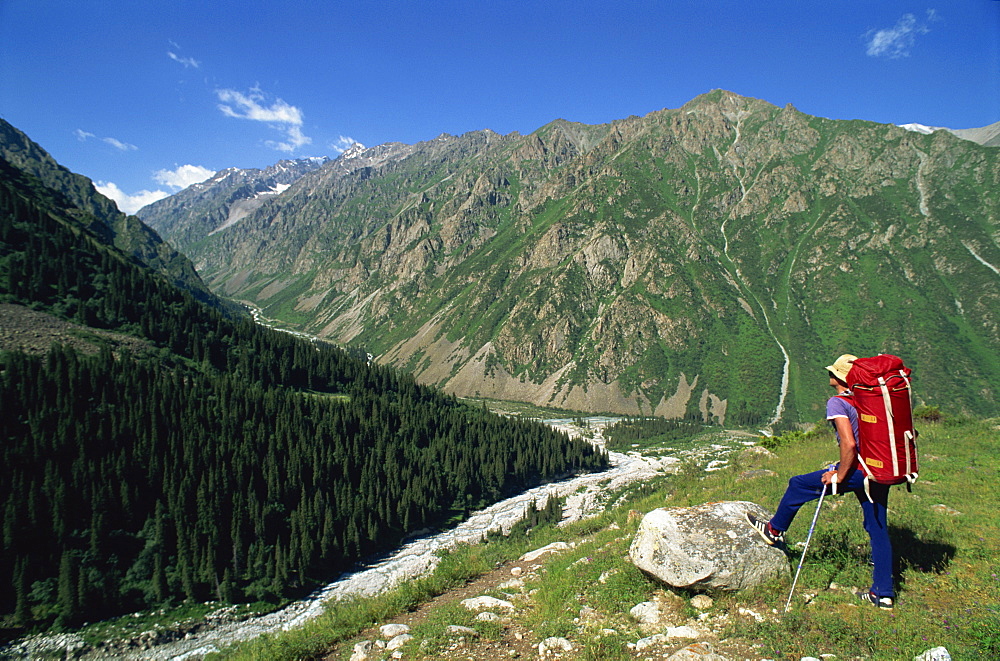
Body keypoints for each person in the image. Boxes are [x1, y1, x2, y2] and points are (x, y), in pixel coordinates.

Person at [745, 354, 895, 609]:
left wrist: (840, 474)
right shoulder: (872, 399)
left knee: (798, 485)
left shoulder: (838, 402)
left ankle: (773, 530)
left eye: (833, 372)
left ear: (839, 378)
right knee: (878, 527)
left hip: (858, 471)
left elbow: (849, 443)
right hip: (880, 469)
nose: (830, 374)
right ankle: (883, 593)